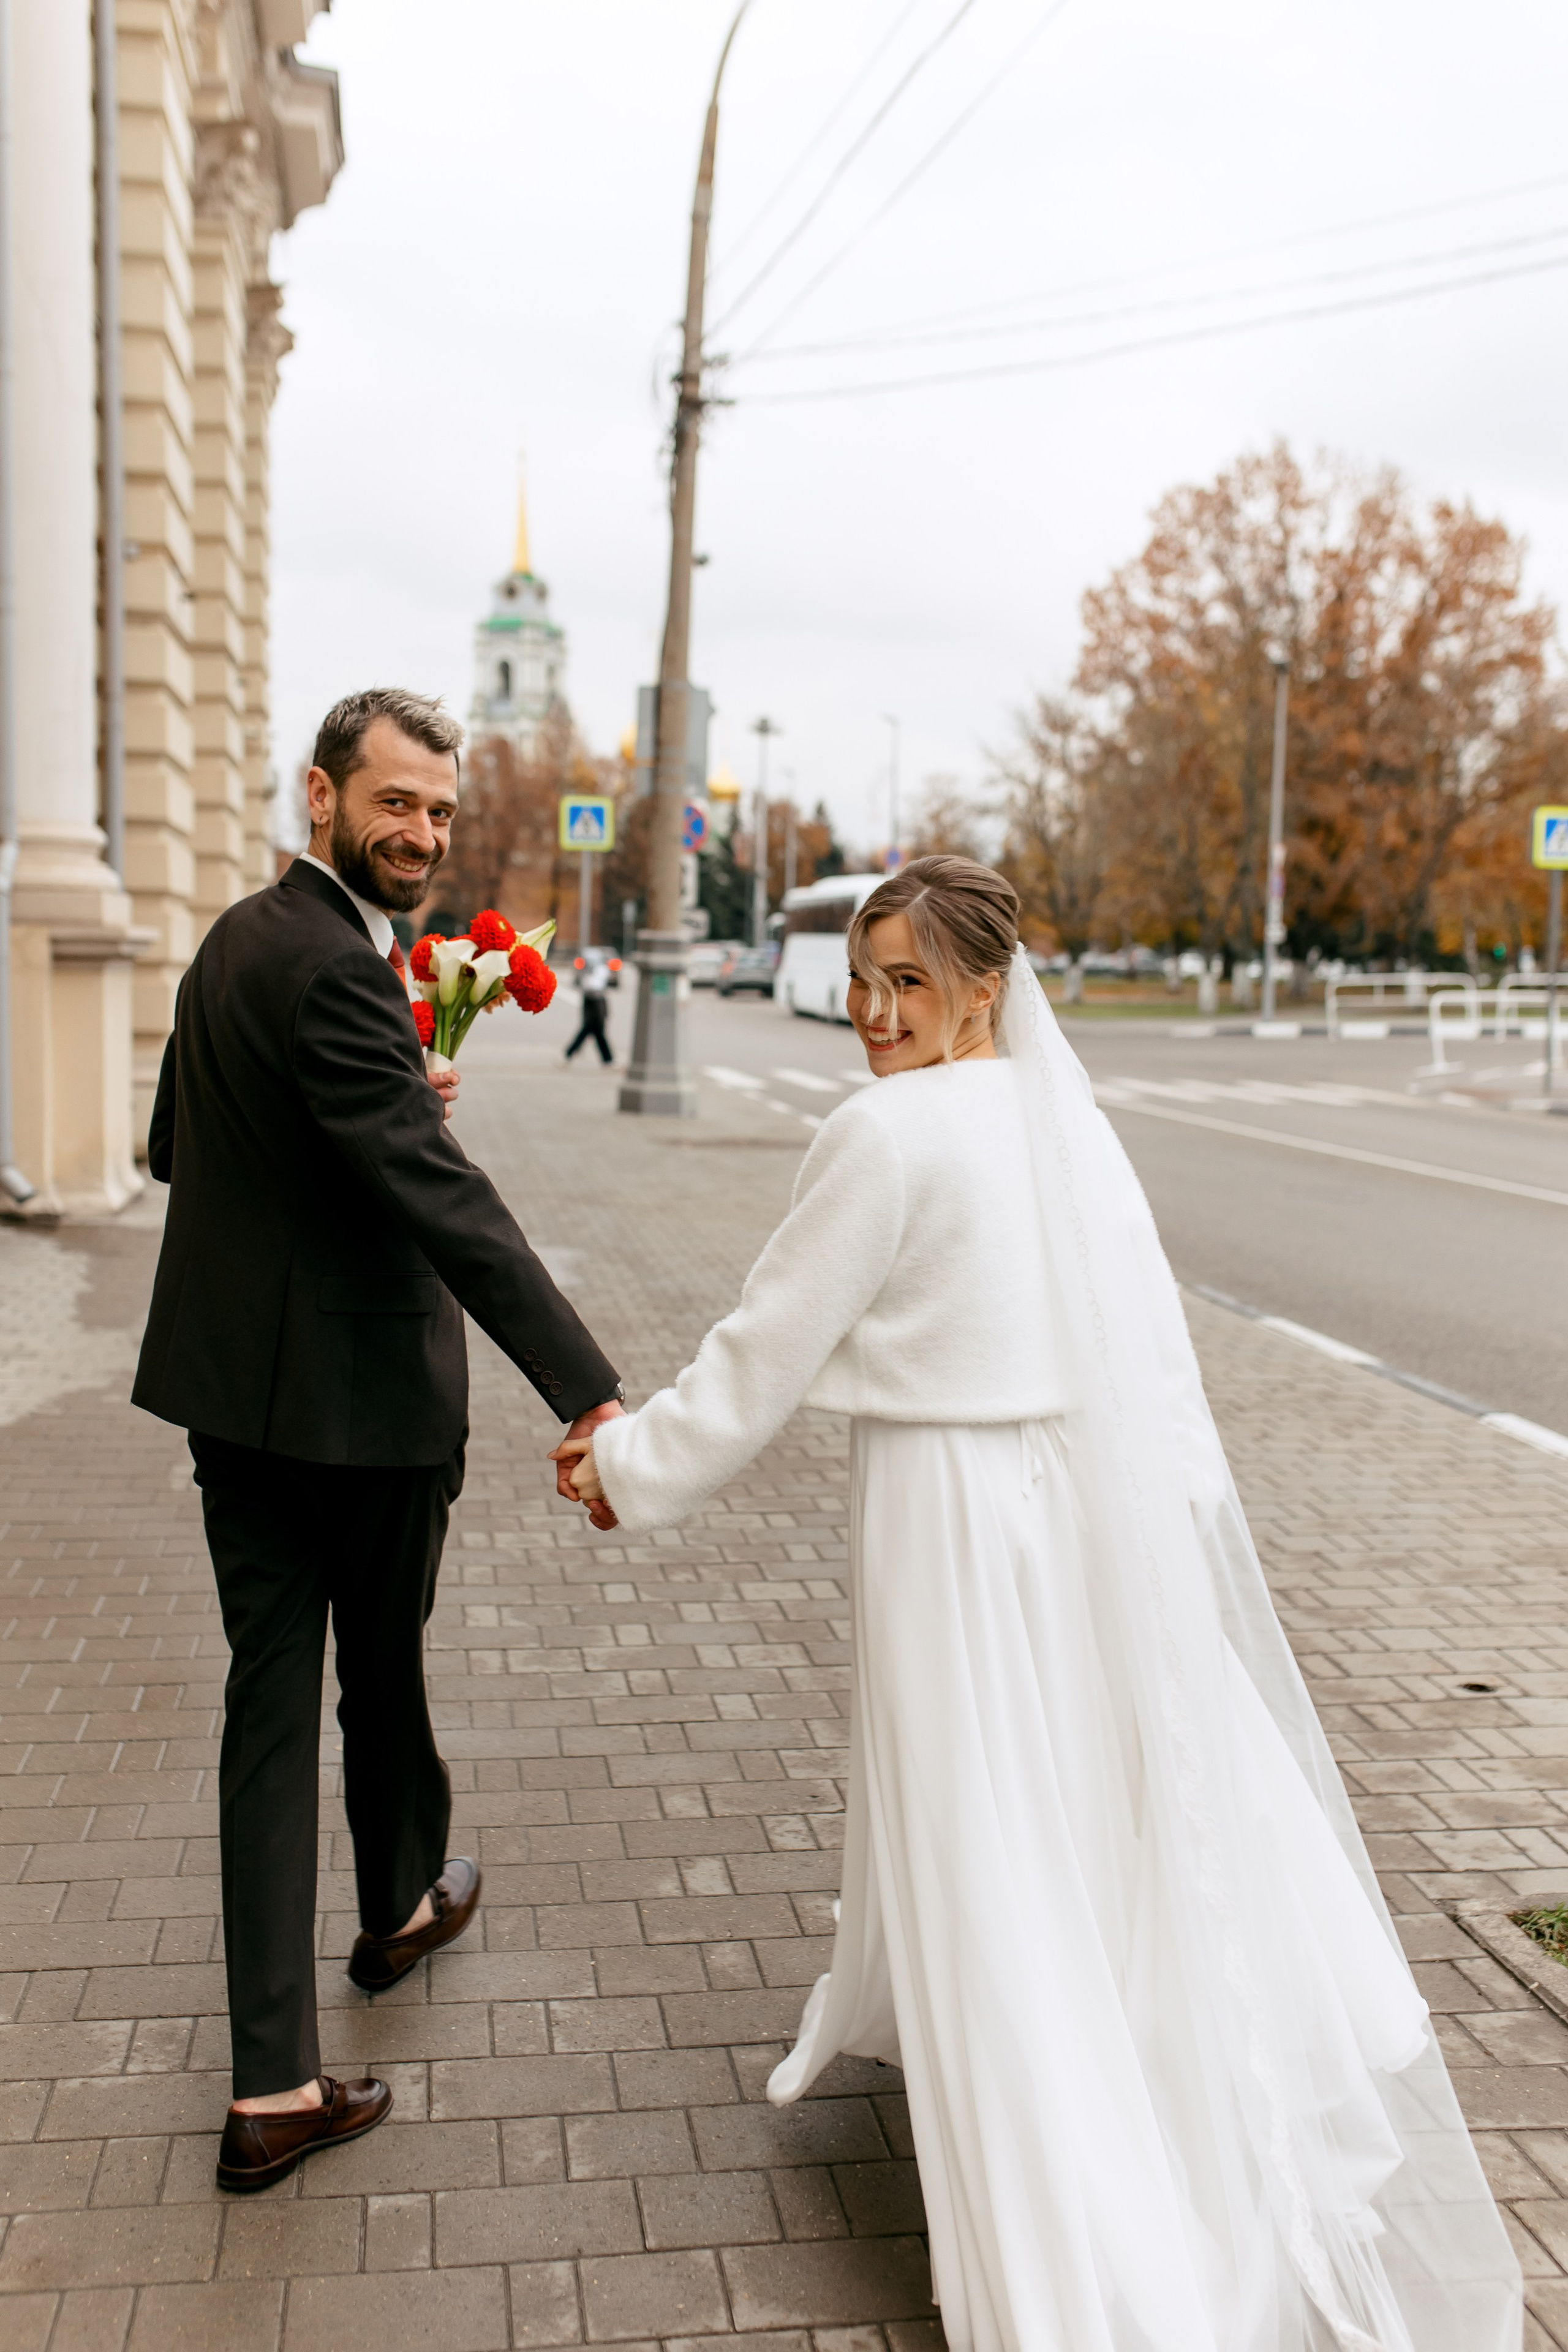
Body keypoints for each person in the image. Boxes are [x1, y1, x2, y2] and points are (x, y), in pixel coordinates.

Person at [557, 856, 1520, 2352]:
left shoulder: (880, 1133)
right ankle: (1114, 2077)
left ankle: (1051, 2178)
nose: (873, 1012)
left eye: (907, 982)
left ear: (983, 989)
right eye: (863, 980)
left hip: (946, 1519)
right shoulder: (1061, 1120)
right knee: (1067, 1810)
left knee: (976, 1819)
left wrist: (627, 1466)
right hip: (1078, 1512)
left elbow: (761, 1351)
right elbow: (1145, 1349)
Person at [134, 687, 625, 2194]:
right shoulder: (342, 968)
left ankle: (274, 2079)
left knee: (271, 1709)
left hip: (235, 1404)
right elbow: (443, 1200)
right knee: (384, 1667)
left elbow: (173, 1145)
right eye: (394, 801)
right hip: (361, 1407)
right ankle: (399, 1907)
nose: (419, 831)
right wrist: (586, 1387)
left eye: (438, 809)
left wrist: (387, 1095)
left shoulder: (235, 941)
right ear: (321, 793)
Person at [564, 949, 614, 1064]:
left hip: (596, 1002)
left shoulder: (599, 970)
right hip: (593, 1002)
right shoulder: (593, 970)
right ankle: (608, 1059)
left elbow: (593, 985)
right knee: (594, 1031)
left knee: (592, 1030)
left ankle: (570, 1054)